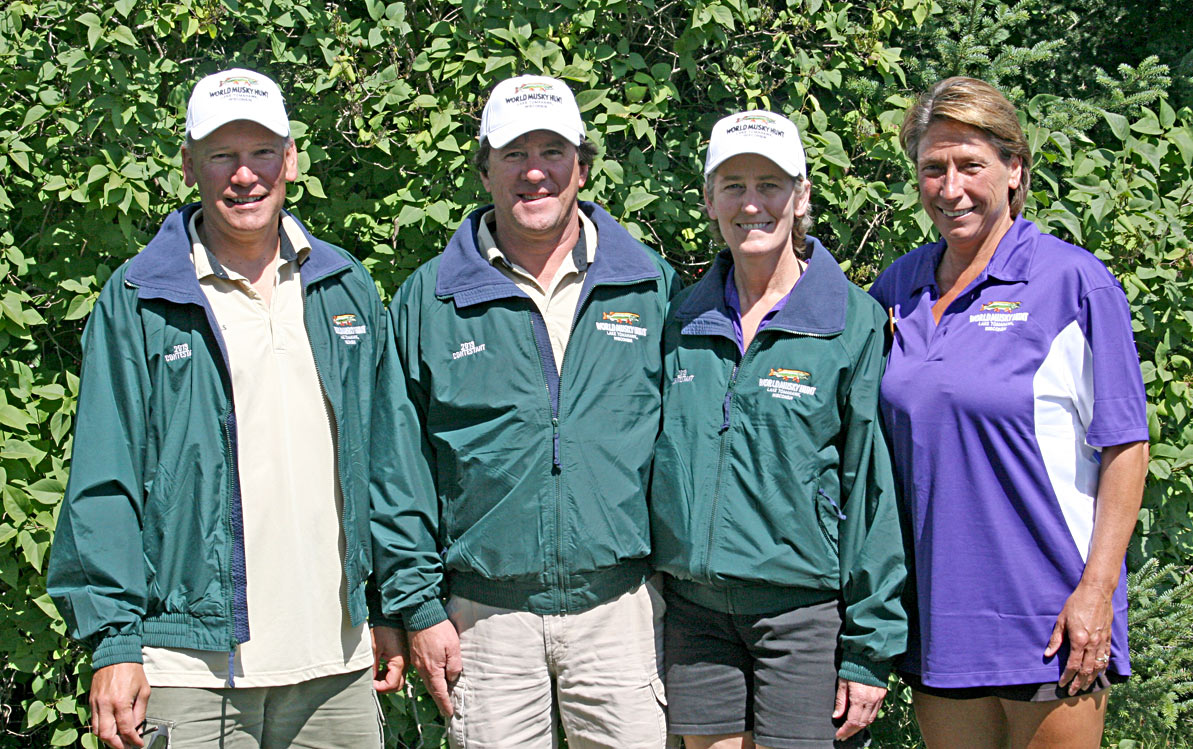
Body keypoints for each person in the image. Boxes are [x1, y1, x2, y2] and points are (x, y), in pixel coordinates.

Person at [47, 68, 399, 749]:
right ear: (188, 166)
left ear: (290, 159)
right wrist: (115, 641)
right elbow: (103, 479)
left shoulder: (344, 286)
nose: (244, 175)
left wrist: (388, 602)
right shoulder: (141, 298)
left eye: (262, 151)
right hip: (188, 665)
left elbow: (387, 461)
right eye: (221, 155)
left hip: (339, 660)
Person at [369, 74, 679, 748]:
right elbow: (397, 469)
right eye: (514, 154)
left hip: (622, 614)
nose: (534, 172)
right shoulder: (430, 300)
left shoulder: (649, 286)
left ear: (582, 167)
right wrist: (417, 606)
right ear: (484, 170)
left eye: (552, 152)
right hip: (483, 620)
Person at [869, 76, 1150, 748]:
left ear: (1014, 168)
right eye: (932, 168)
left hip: (1049, 614)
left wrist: (1096, 592)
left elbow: (1125, 445)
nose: (950, 188)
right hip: (939, 614)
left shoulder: (1072, 283)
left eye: (971, 165)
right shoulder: (897, 289)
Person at [649, 110, 906, 749]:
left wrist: (869, 647)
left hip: (802, 617)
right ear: (709, 198)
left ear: (801, 195)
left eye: (770, 185)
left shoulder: (851, 322)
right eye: (733, 185)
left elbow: (871, 491)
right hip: (696, 614)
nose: (751, 204)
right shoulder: (681, 319)